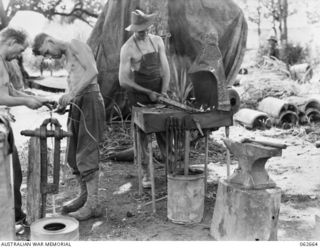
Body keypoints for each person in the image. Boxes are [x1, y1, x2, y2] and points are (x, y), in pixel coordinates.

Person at [32, 33, 105, 221]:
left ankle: (94, 204)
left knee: (87, 151)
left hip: (90, 100)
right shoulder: (66, 58)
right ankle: (85, 196)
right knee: (73, 153)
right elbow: (74, 82)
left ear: (50, 40)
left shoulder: (75, 44)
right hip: (78, 103)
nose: (49, 56)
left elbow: (92, 71)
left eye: (47, 52)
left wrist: (72, 94)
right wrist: (64, 102)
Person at [0, 28, 47, 229]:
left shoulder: (3, 62)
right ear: (10, 42)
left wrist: (34, 97)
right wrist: (26, 103)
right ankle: (9, 220)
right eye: (18, 51)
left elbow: (9, 91)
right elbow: (1, 98)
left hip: (4, 120)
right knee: (5, 175)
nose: (17, 56)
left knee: (15, 173)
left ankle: (16, 215)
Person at [119, 10, 170, 188]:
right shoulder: (128, 48)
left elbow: (166, 70)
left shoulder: (157, 41)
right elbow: (123, 80)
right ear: (133, 29)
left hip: (159, 95)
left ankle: (171, 169)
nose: (143, 32)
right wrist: (147, 92)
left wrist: (162, 93)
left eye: (145, 29)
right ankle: (146, 174)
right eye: (140, 30)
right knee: (142, 136)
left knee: (165, 129)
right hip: (139, 97)